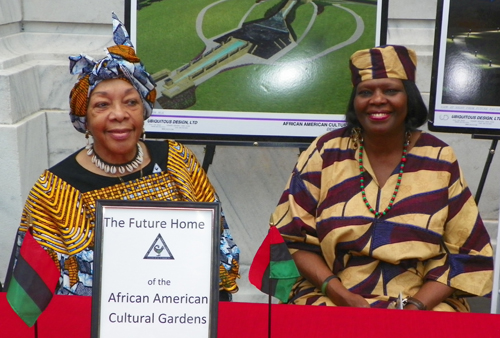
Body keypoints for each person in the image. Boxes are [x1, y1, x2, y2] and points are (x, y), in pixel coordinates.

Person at [5, 13, 240, 300]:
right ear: (85, 121)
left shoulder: (176, 160)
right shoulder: (54, 190)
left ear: (144, 112)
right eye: (102, 105)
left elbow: (217, 246)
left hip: (183, 318)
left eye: (131, 102)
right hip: (89, 333)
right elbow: (28, 296)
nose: (119, 114)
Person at [270, 45, 493, 312]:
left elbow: (468, 252)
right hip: (332, 295)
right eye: (366, 92)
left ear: (409, 98)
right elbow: (288, 240)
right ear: (355, 101)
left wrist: (416, 307)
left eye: (390, 90)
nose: (377, 100)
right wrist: (343, 297)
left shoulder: (439, 157)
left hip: (422, 302)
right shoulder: (326, 151)